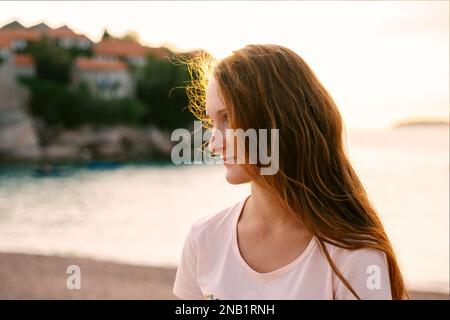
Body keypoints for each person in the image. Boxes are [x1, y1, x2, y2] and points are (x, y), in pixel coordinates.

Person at [173, 44, 407, 300]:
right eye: (211, 122)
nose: (213, 143)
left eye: (227, 118)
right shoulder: (204, 239)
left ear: (275, 120)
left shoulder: (355, 254)